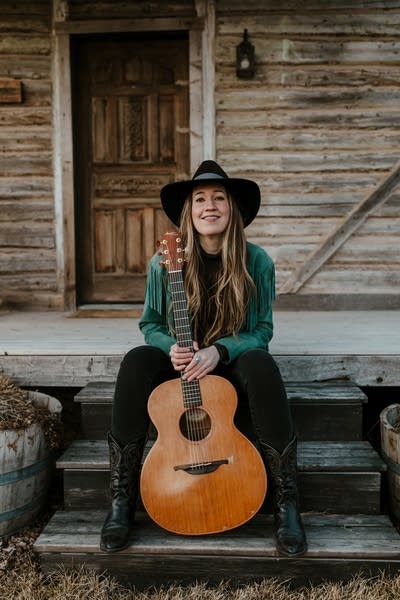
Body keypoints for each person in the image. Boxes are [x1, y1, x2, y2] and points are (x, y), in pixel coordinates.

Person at [100, 160, 307, 558]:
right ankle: (122, 499)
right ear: (189, 212)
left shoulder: (257, 262)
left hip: (228, 359)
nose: (209, 206)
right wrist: (170, 347)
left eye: (218, 198)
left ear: (232, 210)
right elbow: (151, 323)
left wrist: (221, 350)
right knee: (136, 361)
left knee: (262, 365)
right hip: (185, 361)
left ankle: (287, 503)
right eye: (200, 199)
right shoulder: (165, 261)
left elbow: (261, 331)